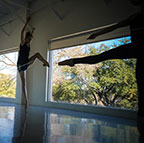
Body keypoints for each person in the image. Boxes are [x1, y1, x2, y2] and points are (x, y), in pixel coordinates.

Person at [58, 0, 144, 136]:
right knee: (101, 56)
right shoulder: (133, 17)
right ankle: (73, 61)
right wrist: (97, 34)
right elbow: (114, 27)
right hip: (136, 48)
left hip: (139, 48)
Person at [17, 17, 49, 110]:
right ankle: (27, 102)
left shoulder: (28, 44)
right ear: (26, 38)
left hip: (26, 63)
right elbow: (22, 32)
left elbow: (30, 36)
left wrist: (33, 31)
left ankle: (45, 63)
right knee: (24, 84)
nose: (30, 40)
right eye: (29, 39)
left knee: (37, 55)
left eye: (31, 39)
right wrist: (27, 23)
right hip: (20, 65)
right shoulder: (23, 43)